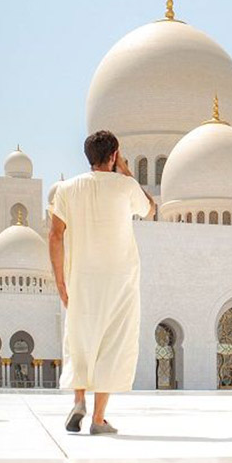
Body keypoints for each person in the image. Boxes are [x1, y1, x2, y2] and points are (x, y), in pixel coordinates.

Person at [49, 129, 155, 435]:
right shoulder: (125, 187)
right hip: (120, 279)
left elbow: (55, 235)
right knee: (113, 341)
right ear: (113, 155)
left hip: (80, 278)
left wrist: (60, 282)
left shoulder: (66, 190)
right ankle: (98, 419)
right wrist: (127, 173)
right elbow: (151, 210)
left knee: (80, 340)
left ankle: (78, 400)